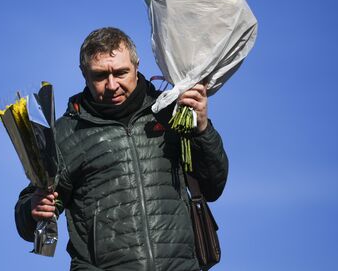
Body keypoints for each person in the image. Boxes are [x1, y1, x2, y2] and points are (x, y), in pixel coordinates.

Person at [15, 27, 228, 270]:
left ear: (137, 66)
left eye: (121, 72)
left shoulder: (172, 113)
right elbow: (28, 219)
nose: (112, 84)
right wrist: (34, 209)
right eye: (100, 76)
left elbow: (213, 186)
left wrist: (202, 129)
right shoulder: (65, 134)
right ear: (84, 74)